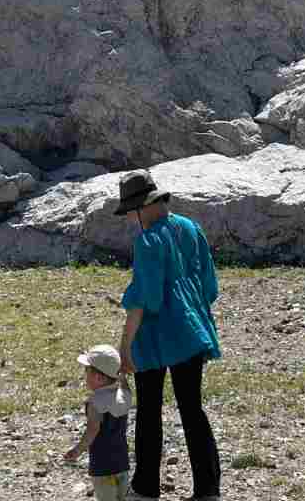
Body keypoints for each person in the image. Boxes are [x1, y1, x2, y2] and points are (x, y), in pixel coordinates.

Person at [114, 170, 221, 501]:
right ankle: (208, 490)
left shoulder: (148, 240)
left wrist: (124, 346)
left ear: (142, 206)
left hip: (155, 337)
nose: (133, 219)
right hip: (192, 330)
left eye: (132, 212)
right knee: (192, 409)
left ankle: (146, 488)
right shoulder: (190, 228)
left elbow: (144, 300)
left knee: (149, 409)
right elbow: (209, 287)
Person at [64, 344, 133, 501]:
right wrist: (120, 374)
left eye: (87, 371)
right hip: (122, 461)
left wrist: (77, 450)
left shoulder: (95, 403)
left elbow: (92, 430)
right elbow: (125, 386)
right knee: (122, 496)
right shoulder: (125, 395)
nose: (85, 375)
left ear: (99, 378)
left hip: (102, 464)